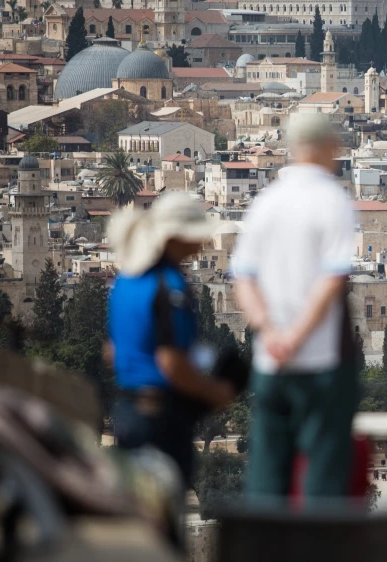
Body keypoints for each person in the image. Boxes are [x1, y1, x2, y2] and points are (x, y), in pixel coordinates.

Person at [233, 112, 358, 500]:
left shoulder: (266, 201)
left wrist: (272, 334)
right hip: (319, 364)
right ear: (328, 147)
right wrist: (297, 337)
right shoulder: (331, 198)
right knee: (323, 473)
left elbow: (243, 279)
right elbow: (332, 279)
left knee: (268, 474)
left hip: (271, 362)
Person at [108, 193, 236, 488]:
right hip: (161, 419)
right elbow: (171, 363)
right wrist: (214, 391)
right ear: (176, 237)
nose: (202, 241)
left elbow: (111, 351)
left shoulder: (125, 281)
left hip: (127, 412)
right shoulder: (169, 286)